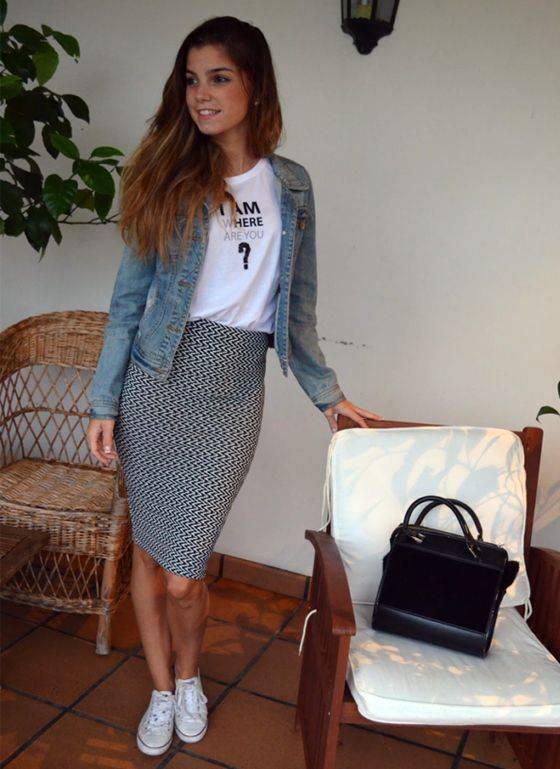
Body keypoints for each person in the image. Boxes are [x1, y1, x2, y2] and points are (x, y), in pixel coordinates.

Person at [86, 15, 382, 758]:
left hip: (231, 388)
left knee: (185, 574)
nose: (202, 94)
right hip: (157, 379)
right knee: (150, 557)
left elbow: (298, 306)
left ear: (255, 85)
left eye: (219, 77)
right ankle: (165, 687)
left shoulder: (291, 186)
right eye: (192, 80)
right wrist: (104, 400)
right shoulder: (164, 175)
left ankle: (190, 676)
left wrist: (328, 393)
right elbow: (128, 302)